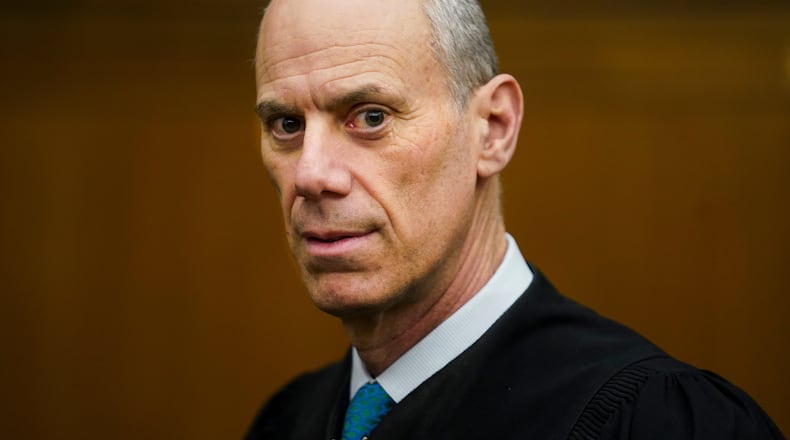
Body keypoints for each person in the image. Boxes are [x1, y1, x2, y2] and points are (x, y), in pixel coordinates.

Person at [246, 0, 784, 438]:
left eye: (370, 117)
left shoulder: (651, 421)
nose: (311, 175)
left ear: (493, 128)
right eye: (286, 124)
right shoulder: (289, 420)